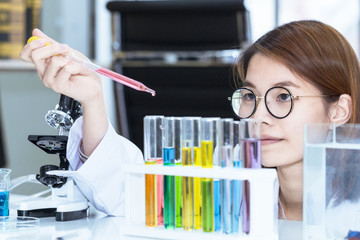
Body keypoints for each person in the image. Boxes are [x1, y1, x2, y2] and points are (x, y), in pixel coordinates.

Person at [20, 20, 359, 222]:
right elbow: (133, 198)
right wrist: (91, 98)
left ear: (338, 110)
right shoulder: (236, 188)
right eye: (251, 97)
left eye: (283, 97)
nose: (258, 116)